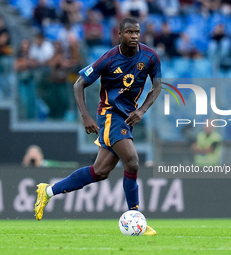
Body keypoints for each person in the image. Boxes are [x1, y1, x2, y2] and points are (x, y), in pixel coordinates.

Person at [34, 17, 161, 235]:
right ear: (119, 34)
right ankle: (136, 216)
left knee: (100, 171)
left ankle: (48, 191)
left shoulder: (150, 56)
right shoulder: (108, 59)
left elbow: (158, 86)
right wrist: (85, 116)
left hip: (127, 116)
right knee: (132, 161)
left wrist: (142, 110)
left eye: (137, 32)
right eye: (130, 32)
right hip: (110, 114)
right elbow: (78, 84)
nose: (134, 36)